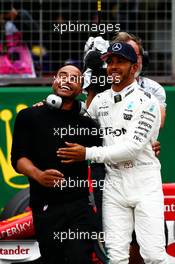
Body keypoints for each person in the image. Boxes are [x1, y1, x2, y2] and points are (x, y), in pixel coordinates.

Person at [57, 43, 169, 263]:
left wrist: (87, 154)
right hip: (113, 184)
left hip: (144, 181)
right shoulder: (101, 100)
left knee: (154, 256)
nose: (113, 67)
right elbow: (84, 129)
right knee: (116, 257)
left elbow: (131, 149)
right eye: (110, 62)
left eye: (120, 62)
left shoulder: (148, 102)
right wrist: (50, 107)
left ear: (134, 66)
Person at [11, 64, 102, 264]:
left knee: (80, 258)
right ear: (54, 80)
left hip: (79, 207)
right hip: (45, 207)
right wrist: (38, 175)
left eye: (74, 78)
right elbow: (18, 159)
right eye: (62, 75)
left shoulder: (87, 123)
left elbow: (110, 150)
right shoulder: (29, 116)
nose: (66, 80)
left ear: (81, 88)